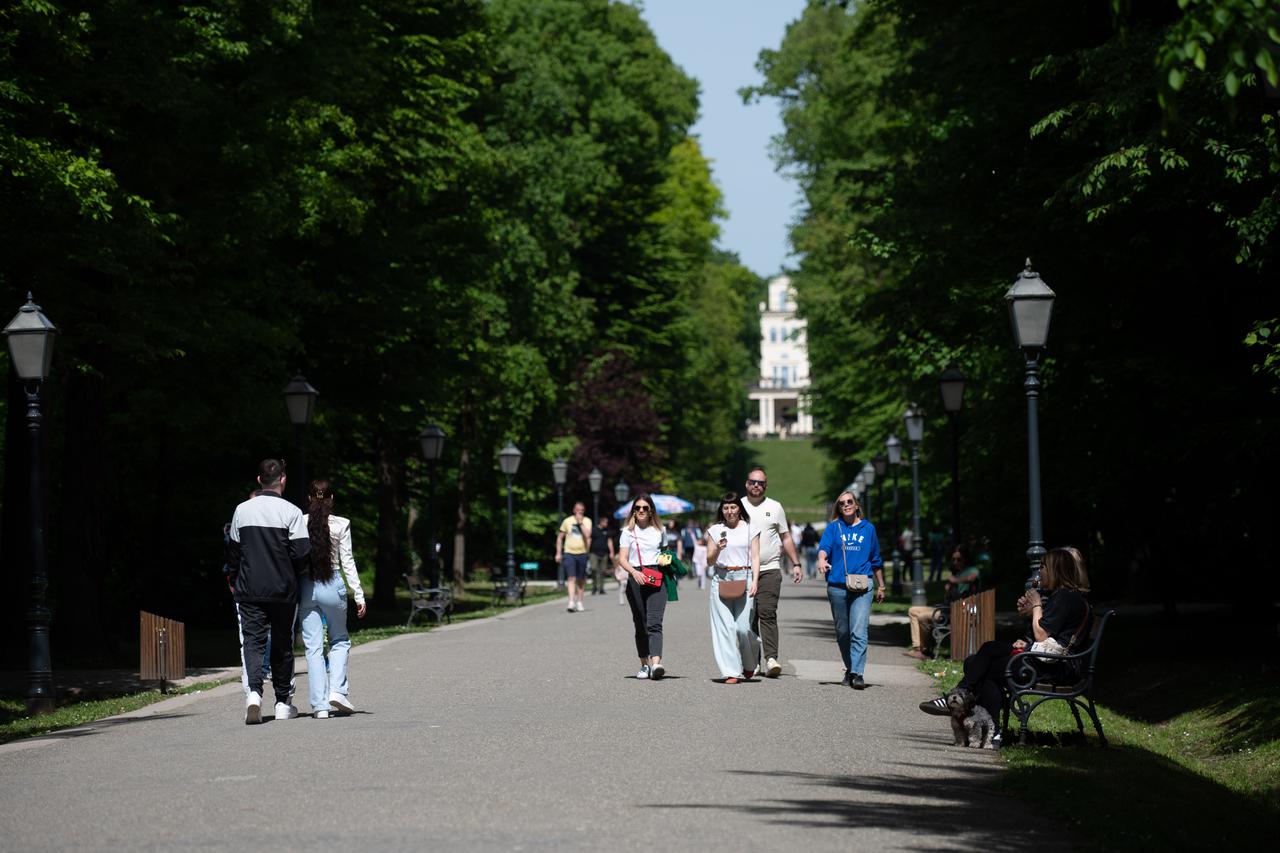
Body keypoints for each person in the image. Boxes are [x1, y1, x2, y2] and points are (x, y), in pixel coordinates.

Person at [920, 547, 1092, 741]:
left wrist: (1036, 605)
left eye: (1043, 566)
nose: (1040, 572)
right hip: (1048, 662)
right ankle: (988, 726)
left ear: (1055, 570)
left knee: (983, 659)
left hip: (1057, 668)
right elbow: (1043, 635)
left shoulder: (1065, 598)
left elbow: (1042, 634)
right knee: (976, 661)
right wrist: (1028, 627)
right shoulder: (1064, 597)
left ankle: (965, 705)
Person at [227, 459, 311, 724]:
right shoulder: (292, 512)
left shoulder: (242, 510)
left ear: (259, 479)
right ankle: (282, 701)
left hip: (249, 588)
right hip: (283, 589)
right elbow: (301, 554)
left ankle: (253, 692)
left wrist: (235, 578)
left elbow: (233, 552)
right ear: (283, 480)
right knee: (283, 643)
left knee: (253, 641)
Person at [299, 480, 367, 719]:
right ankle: (337, 690)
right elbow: (347, 562)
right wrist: (358, 594)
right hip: (333, 583)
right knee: (339, 640)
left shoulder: (300, 522)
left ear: (309, 499)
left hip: (307, 586)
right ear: (332, 498)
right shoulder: (342, 524)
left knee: (313, 647)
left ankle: (319, 706)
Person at [816, 490, 885, 689]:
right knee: (843, 632)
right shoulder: (833, 528)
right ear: (838, 508)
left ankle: (858, 673)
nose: (845, 505)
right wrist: (821, 560)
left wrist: (882, 585)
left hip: (863, 586)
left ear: (856, 505)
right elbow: (824, 548)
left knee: (858, 630)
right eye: (841, 503)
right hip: (837, 586)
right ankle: (850, 667)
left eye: (849, 502)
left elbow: (876, 559)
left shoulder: (868, 529)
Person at [743, 467, 803, 678]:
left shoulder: (775, 507)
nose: (756, 486)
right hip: (744, 571)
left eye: (760, 483)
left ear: (765, 486)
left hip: (769, 569)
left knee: (767, 613)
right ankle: (753, 661)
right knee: (748, 617)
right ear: (746, 484)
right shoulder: (737, 506)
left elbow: (785, 537)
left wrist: (796, 563)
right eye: (753, 482)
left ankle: (771, 658)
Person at [705, 492, 762, 684]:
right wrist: (718, 549)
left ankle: (749, 662)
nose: (730, 511)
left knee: (743, 628)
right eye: (726, 508)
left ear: (739, 509)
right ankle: (730, 671)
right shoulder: (715, 530)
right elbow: (709, 561)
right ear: (722, 510)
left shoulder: (750, 529)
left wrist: (755, 580)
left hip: (744, 577)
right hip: (721, 578)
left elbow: (755, 556)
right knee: (725, 628)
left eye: (733, 507)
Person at [617, 495, 669, 680]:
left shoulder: (660, 530)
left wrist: (665, 559)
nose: (640, 510)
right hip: (635, 577)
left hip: (656, 576)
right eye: (637, 507)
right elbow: (622, 558)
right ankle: (644, 664)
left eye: (645, 508)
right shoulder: (627, 532)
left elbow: (665, 552)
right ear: (633, 511)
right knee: (640, 624)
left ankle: (656, 664)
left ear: (651, 511)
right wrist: (633, 572)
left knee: (654, 622)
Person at [904, 545, 981, 660]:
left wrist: (955, 581)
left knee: (922, 617)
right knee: (913, 610)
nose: (955, 562)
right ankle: (917, 648)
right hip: (946, 608)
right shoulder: (956, 572)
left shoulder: (971, 570)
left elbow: (972, 578)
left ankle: (924, 650)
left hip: (956, 612)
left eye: (958, 559)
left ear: (966, 559)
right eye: (953, 559)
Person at [555, 501, 592, 613]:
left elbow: (588, 535)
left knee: (580, 580)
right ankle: (571, 602)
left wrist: (580, 523)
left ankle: (579, 602)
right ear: (574, 510)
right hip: (569, 553)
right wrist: (558, 553)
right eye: (577, 510)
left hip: (582, 553)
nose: (579, 512)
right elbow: (560, 538)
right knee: (571, 577)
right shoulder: (567, 521)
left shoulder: (587, 521)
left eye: (581, 510)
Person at [588, 515, 616, 597]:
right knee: (593, 569)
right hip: (594, 553)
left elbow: (609, 541)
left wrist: (612, 552)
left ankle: (601, 589)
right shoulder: (594, 530)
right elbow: (589, 540)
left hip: (604, 553)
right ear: (601, 522)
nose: (606, 524)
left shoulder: (607, 530)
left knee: (602, 571)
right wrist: (587, 550)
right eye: (605, 522)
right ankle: (594, 587)